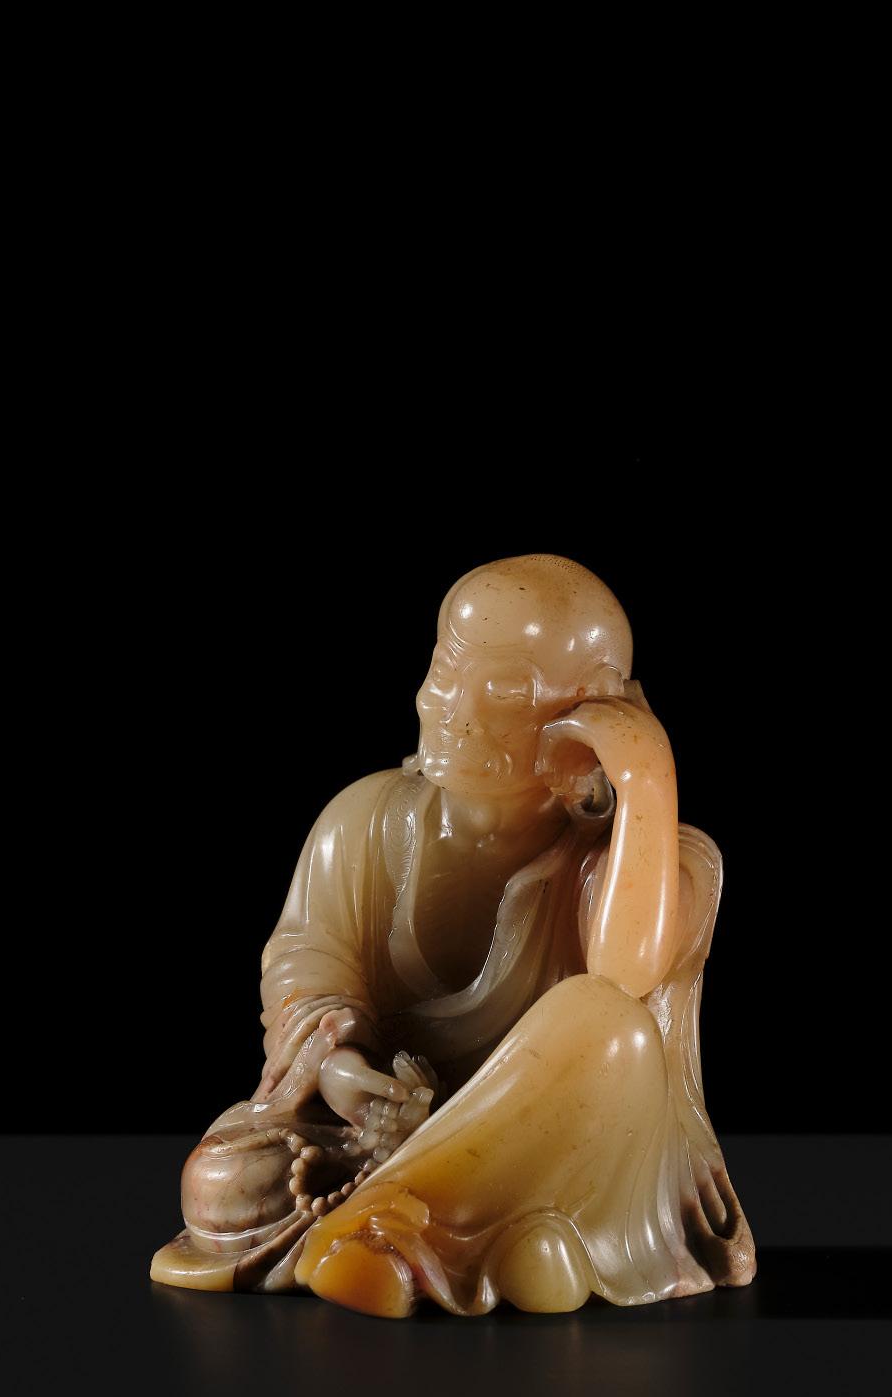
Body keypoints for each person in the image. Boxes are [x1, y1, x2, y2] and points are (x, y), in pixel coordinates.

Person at [150, 554, 754, 1317]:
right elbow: (306, 965)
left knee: (614, 1027)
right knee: (220, 1180)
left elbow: (626, 975)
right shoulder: (361, 822)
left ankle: (387, 1230)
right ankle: (492, 1237)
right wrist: (341, 1072)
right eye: (444, 669)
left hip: (542, 1134)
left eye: (500, 690)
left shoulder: (647, 860)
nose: (445, 703)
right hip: (375, 1130)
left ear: (586, 716)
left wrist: (644, 776)